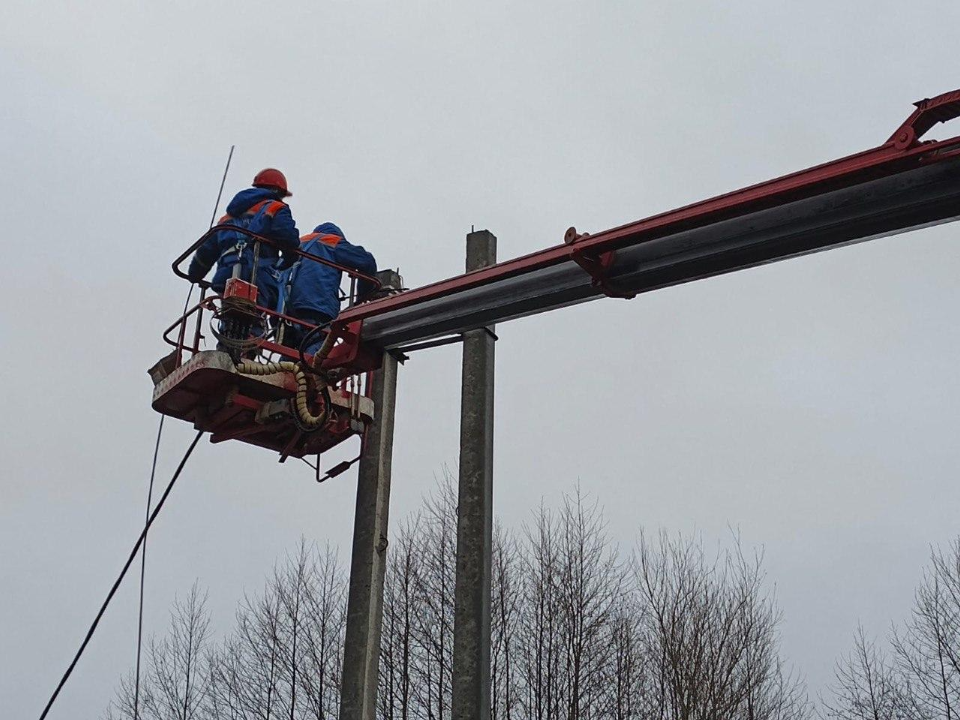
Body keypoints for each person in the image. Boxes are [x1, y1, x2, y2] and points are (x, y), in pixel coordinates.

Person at [187, 168, 299, 311]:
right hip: (257, 276)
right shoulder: (276, 207)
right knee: (253, 322)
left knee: (230, 317)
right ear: (278, 191)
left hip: (226, 276)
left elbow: (206, 252)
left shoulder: (226, 219)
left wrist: (195, 275)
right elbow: (289, 238)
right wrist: (289, 259)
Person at [282, 222, 377, 355]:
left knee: (288, 360)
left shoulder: (298, 243)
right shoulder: (331, 241)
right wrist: (363, 297)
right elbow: (367, 261)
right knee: (314, 360)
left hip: (285, 313)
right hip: (317, 309)